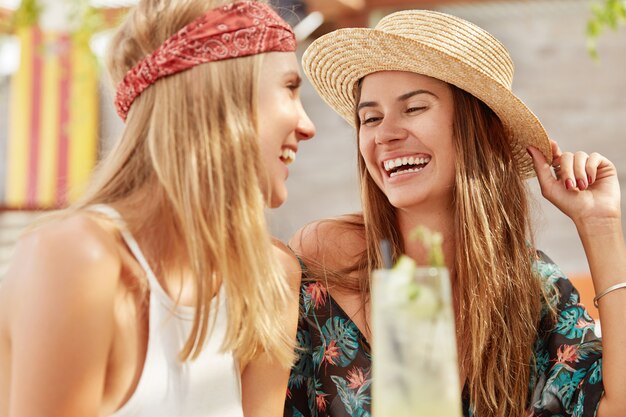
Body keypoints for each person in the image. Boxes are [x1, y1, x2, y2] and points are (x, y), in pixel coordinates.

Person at [284, 9, 626, 417]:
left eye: (413, 109)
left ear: (475, 129)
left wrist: (600, 225)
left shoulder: (533, 290)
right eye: (370, 118)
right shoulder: (325, 256)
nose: (385, 134)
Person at [0, 1, 315, 416]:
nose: (307, 124)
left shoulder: (270, 276)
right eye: (290, 89)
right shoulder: (77, 259)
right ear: (217, 97)